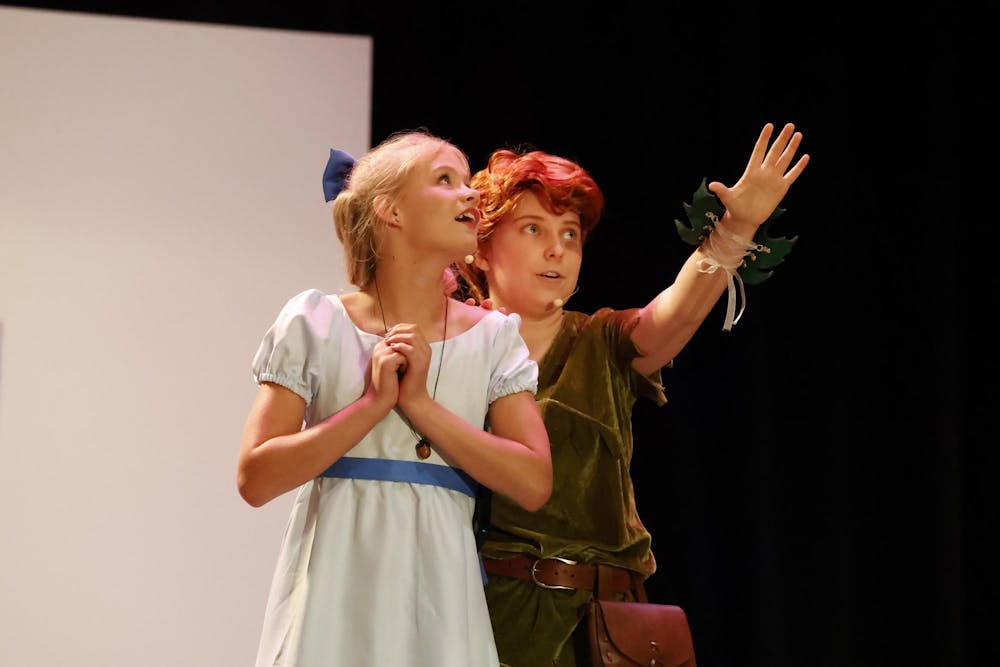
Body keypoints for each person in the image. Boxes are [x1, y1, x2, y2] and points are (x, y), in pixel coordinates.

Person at [456, 122, 809, 666]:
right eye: (532, 229)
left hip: (607, 627)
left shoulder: (603, 340)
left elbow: (680, 310)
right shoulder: (451, 351)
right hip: (494, 615)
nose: (557, 248)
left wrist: (736, 228)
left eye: (570, 233)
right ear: (479, 249)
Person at [236, 130, 553, 667]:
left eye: (466, 180)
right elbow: (256, 477)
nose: (470, 195)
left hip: (440, 597)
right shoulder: (315, 323)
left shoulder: (493, 337)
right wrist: (370, 407)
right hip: (333, 592)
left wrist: (423, 407)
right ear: (391, 212)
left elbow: (533, 481)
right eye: (445, 180)